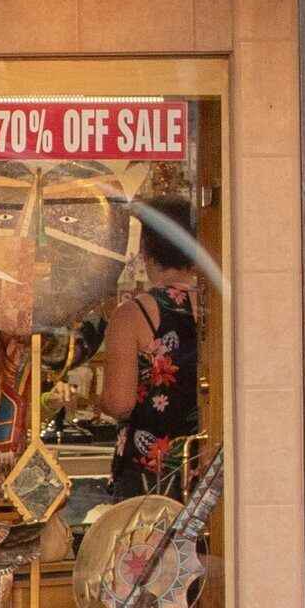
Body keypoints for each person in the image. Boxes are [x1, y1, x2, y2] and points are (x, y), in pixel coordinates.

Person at [100, 199, 207, 499]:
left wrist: (101, 402)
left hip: (150, 474)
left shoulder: (132, 315)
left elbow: (119, 403)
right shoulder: (219, 308)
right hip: (209, 467)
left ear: (145, 248)